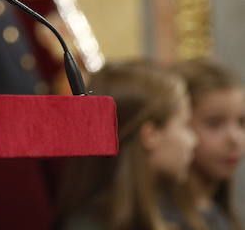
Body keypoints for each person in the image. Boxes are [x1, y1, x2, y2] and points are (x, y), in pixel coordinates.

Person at [56, 60, 197, 230]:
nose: (194, 141)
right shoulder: (87, 225)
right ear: (151, 134)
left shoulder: (177, 212)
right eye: (186, 125)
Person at [167, 59, 244, 230]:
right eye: (214, 123)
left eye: (241, 122)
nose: (235, 138)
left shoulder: (218, 211)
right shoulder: (166, 219)